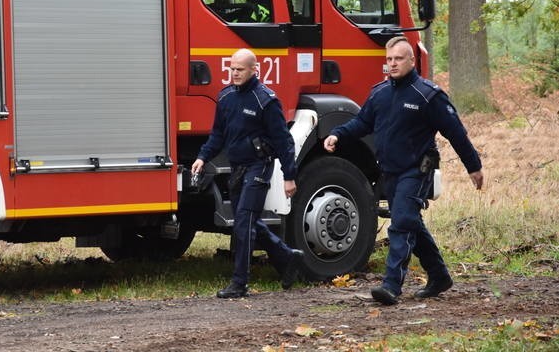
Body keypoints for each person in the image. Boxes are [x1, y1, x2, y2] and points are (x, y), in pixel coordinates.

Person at [323, 36, 483, 305]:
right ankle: (439, 275)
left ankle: (391, 285)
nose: (393, 64)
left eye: (398, 59)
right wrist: (337, 135)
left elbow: (456, 133)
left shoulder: (428, 95)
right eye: (389, 59)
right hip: (390, 171)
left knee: (400, 224)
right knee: (411, 224)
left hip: (416, 170)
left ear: (411, 60)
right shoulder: (380, 93)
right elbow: (361, 123)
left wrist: (474, 166)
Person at [192, 48, 304, 298]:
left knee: (243, 222)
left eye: (239, 69)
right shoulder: (225, 97)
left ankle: (239, 283)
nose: (234, 73)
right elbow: (217, 134)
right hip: (236, 169)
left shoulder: (266, 100)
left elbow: (283, 141)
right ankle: (288, 258)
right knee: (251, 221)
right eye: (231, 69)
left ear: (255, 70)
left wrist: (289, 176)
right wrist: (202, 156)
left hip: (259, 167)